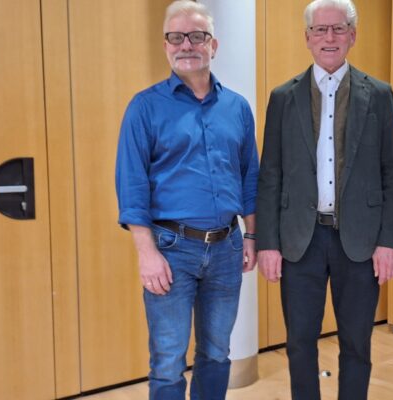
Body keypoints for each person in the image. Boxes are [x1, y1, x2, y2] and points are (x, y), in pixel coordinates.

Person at [256, 0, 393, 398]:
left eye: (338, 29)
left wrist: (390, 241)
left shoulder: (380, 95)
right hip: (299, 241)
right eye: (320, 30)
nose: (329, 38)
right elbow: (270, 175)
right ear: (307, 38)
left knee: (357, 343)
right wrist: (268, 243)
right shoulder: (282, 97)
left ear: (353, 36)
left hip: (360, 241)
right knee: (300, 343)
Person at [114, 1, 259, 398]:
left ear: (214, 45)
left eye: (197, 36)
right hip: (170, 249)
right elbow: (132, 185)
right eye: (176, 37)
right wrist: (146, 253)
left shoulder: (237, 108)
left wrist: (251, 237)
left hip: (227, 247)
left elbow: (250, 177)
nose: (186, 45)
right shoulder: (145, 107)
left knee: (216, 352)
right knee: (168, 359)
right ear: (165, 46)